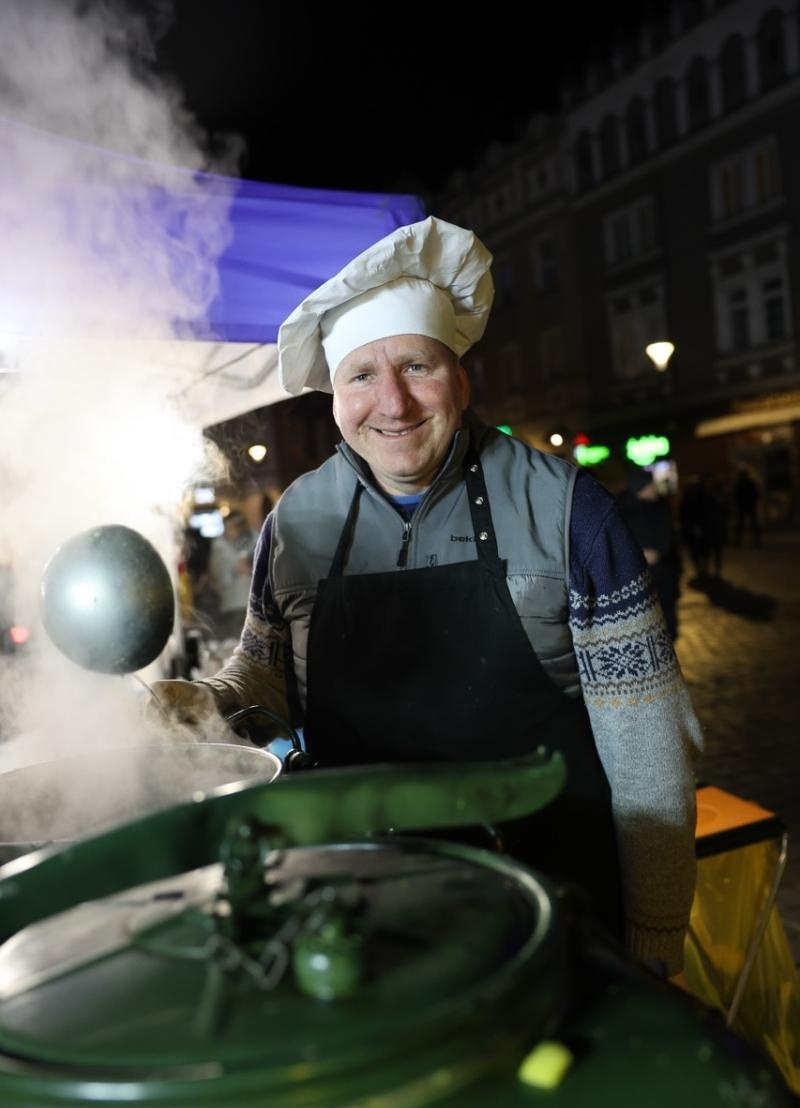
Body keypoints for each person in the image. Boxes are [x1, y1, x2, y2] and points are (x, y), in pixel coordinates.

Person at [149, 216, 702, 981]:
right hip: (360, 921)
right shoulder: (296, 522)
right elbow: (264, 675)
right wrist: (203, 702)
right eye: (362, 377)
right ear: (335, 396)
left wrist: (655, 933)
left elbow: (650, 756)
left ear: (460, 376)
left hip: (555, 913)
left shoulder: (566, 508)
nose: (394, 404)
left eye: (417, 366)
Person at [617, 466, 683, 640]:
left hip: (665, 577)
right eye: (650, 484)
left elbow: (671, 542)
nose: (654, 487)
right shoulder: (621, 512)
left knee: (669, 629)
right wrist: (638, 554)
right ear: (640, 487)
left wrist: (663, 555)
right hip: (638, 582)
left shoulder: (661, 508)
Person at [204, 510, 258, 640]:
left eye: (231, 528)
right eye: (226, 528)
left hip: (253, 602)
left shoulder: (254, 539)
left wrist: (251, 568)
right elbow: (215, 573)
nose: (228, 531)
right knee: (235, 640)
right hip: (232, 603)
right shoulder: (219, 545)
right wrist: (234, 570)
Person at [733, 466, 761, 547]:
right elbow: (756, 494)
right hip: (748, 506)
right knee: (751, 524)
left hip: (745, 506)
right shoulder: (748, 483)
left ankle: (739, 542)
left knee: (742, 525)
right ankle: (756, 542)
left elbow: (736, 496)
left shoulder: (741, 484)